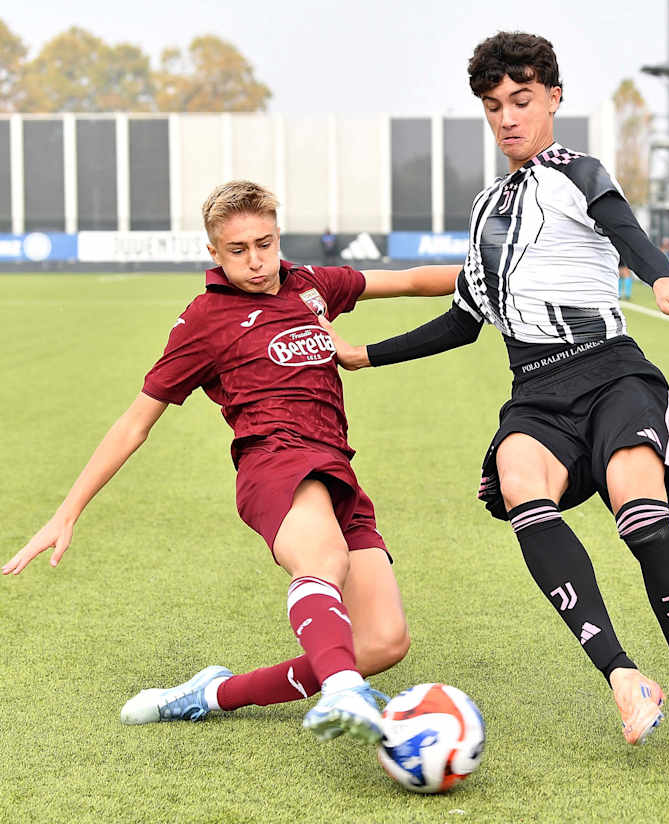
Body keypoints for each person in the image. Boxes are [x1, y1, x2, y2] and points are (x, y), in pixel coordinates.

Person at [323, 32, 669, 768]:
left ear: (554, 98)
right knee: (518, 476)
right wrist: (365, 355)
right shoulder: (485, 208)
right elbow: (466, 320)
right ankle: (622, 674)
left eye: (522, 101)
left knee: (637, 503)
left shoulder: (576, 171)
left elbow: (625, 230)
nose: (508, 117)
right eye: (495, 106)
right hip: (536, 391)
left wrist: (661, 277)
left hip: (610, 372)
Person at [3, 180, 459, 744]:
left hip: (338, 466)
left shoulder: (310, 286)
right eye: (238, 250)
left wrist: (499, 274)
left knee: (384, 643)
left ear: (276, 234)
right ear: (214, 254)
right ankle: (343, 692)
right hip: (275, 464)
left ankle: (210, 694)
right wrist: (66, 512)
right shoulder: (205, 319)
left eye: (264, 244)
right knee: (322, 558)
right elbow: (135, 422)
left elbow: (413, 280)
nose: (256, 260)